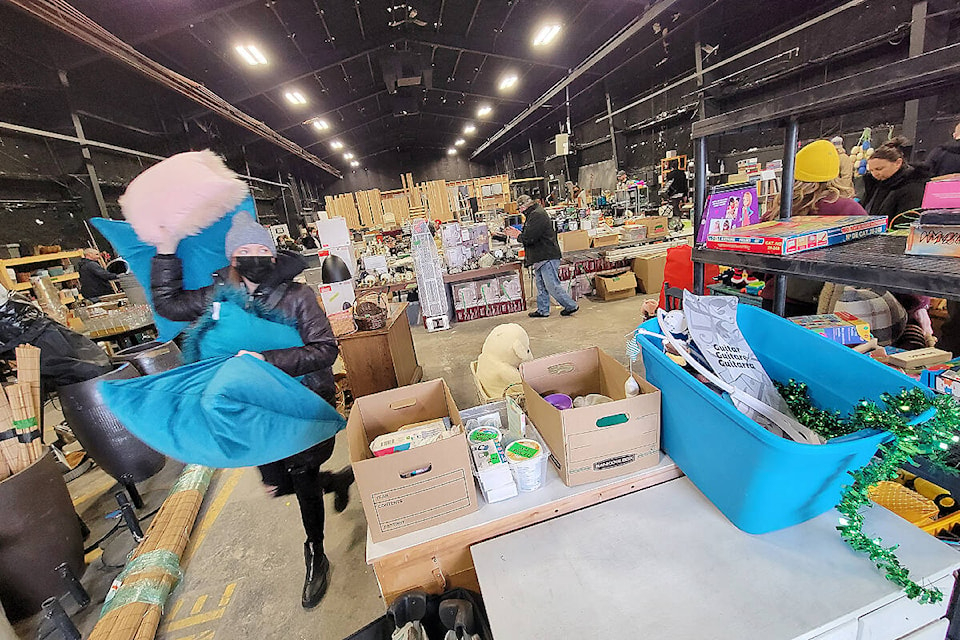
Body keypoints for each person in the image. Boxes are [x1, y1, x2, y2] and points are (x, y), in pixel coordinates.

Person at [151, 215, 354, 610]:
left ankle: (316, 552)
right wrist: (165, 251)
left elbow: (325, 349)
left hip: (298, 404)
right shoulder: (219, 295)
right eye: (246, 251)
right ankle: (338, 481)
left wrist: (265, 360)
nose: (255, 257)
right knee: (275, 484)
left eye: (263, 250)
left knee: (301, 474)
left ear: (274, 254)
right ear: (232, 257)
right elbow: (168, 303)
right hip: (251, 409)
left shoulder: (298, 296)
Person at [760, 139, 867, 315]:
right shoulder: (849, 210)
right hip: (826, 305)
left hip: (776, 298)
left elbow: (754, 263)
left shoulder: (777, 211)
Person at [503, 194, 578, 318]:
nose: (520, 211)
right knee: (541, 285)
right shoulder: (533, 214)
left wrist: (517, 235)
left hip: (546, 255)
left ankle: (570, 305)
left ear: (525, 206)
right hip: (540, 256)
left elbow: (530, 237)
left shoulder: (537, 215)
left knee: (552, 285)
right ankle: (543, 310)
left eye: (520, 209)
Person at [863, 136, 931, 225]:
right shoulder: (875, 185)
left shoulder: (913, 187)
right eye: (871, 170)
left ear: (898, 163)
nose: (875, 174)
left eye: (879, 169)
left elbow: (906, 222)